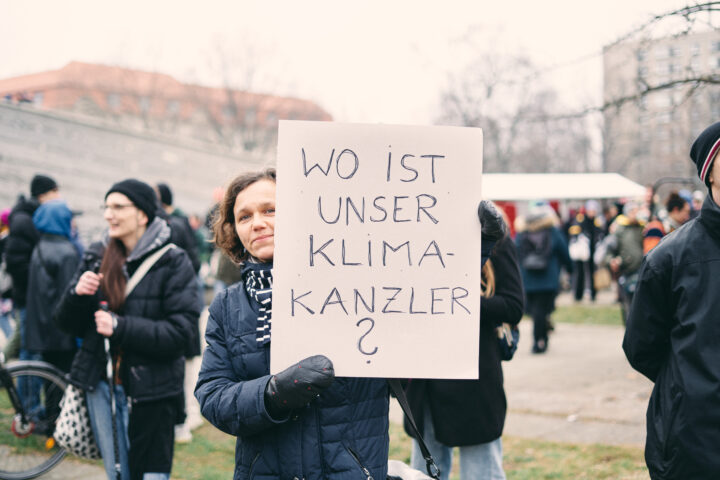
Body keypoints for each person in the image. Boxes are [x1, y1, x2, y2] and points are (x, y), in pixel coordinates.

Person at [194, 168, 394, 480]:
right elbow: (211, 394)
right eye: (244, 217)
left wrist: (474, 251)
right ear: (234, 230)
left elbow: (422, 317)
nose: (257, 222)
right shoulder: (228, 305)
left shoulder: (359, 287)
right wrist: (270, 395)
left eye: (270, 210)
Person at [55, 179, 200, 480]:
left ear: (143, 215)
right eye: (106, 207)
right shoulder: (97, 254)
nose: (109, 214)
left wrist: (121, 327)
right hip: (103, 386)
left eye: (118, 207)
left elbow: (182, 332)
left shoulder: (174, 261)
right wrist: (76, 296)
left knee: (151, 474)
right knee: (118, 473)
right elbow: (65, 325)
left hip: (154, 391)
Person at [623, 121, 720, 478]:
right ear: (710, 172)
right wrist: (689, 386)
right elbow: (641, 347)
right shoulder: (670, 258)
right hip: (690, 440)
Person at [403, 213, 524, 480]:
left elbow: (514, 307)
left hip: (476, 379)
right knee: (424, 471)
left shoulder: (495, 236)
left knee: (482, 471)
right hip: (426, 379)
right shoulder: (417, 230)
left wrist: (456, 299)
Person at [155, 182, 203, 443]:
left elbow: (192, 261)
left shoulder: (175, 226)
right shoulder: (182, 223)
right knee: (186, 363)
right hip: (184, 303)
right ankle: (189, 415)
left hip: (180, 304)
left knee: (185, 364)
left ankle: (187, 417)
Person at [25, 199, 81, 423]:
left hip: (41, 326)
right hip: (61, 331)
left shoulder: (39, 247)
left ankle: (49, 422)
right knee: (61, 380)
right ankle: (59, 426)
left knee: (48, 381)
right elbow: (70, 297)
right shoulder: (67, 252)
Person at [515, 202, 571, 353]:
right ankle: (540, 340)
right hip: (548, 278)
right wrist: (570, 268)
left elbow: (516, 251)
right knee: (542, 311)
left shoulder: (523, 232)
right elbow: (563, 250)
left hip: (528, 278)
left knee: (536, 311)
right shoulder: (552, 231)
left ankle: (539, 338)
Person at [603, 201, 645, 324]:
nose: (635, 214)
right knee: (628, 308)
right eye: (633, 211)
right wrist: (612, 261)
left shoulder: (642, 228)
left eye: (637, 211)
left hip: (641, 272)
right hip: (626, 273)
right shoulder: (619, 230)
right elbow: (608, 252)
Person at [567, 200, 603, 302]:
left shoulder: (597, 221)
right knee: (579, 272)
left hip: (593, 251)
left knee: (592, 273)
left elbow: (601, 233)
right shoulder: (580, 219)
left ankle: (593, 293)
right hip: (581, 252)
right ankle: (578, 294)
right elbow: (573, 232)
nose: (592, 213)